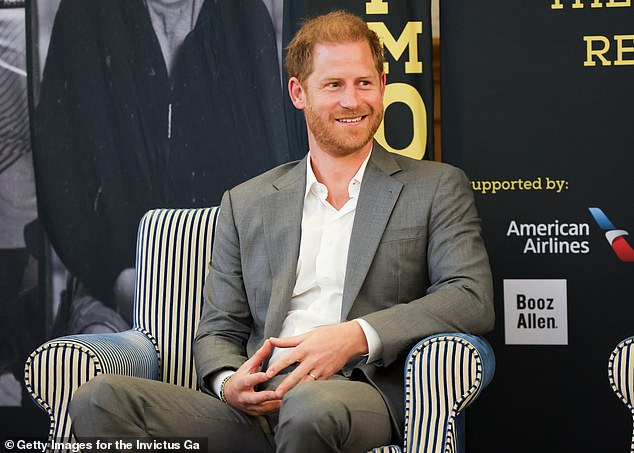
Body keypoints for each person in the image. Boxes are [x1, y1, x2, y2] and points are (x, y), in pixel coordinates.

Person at [70, 10, 494, 453]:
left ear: (383, 85)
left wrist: (354, 336)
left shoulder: (435, 186)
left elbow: (470, 296)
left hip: (355, 394)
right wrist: (228, 382)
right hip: (257, 405)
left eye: (364, 83)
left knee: (309, 406)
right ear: (298, 92)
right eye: (334, 85)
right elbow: (219, 328)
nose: (353, 100)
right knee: (99, 400)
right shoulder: (247, 201)